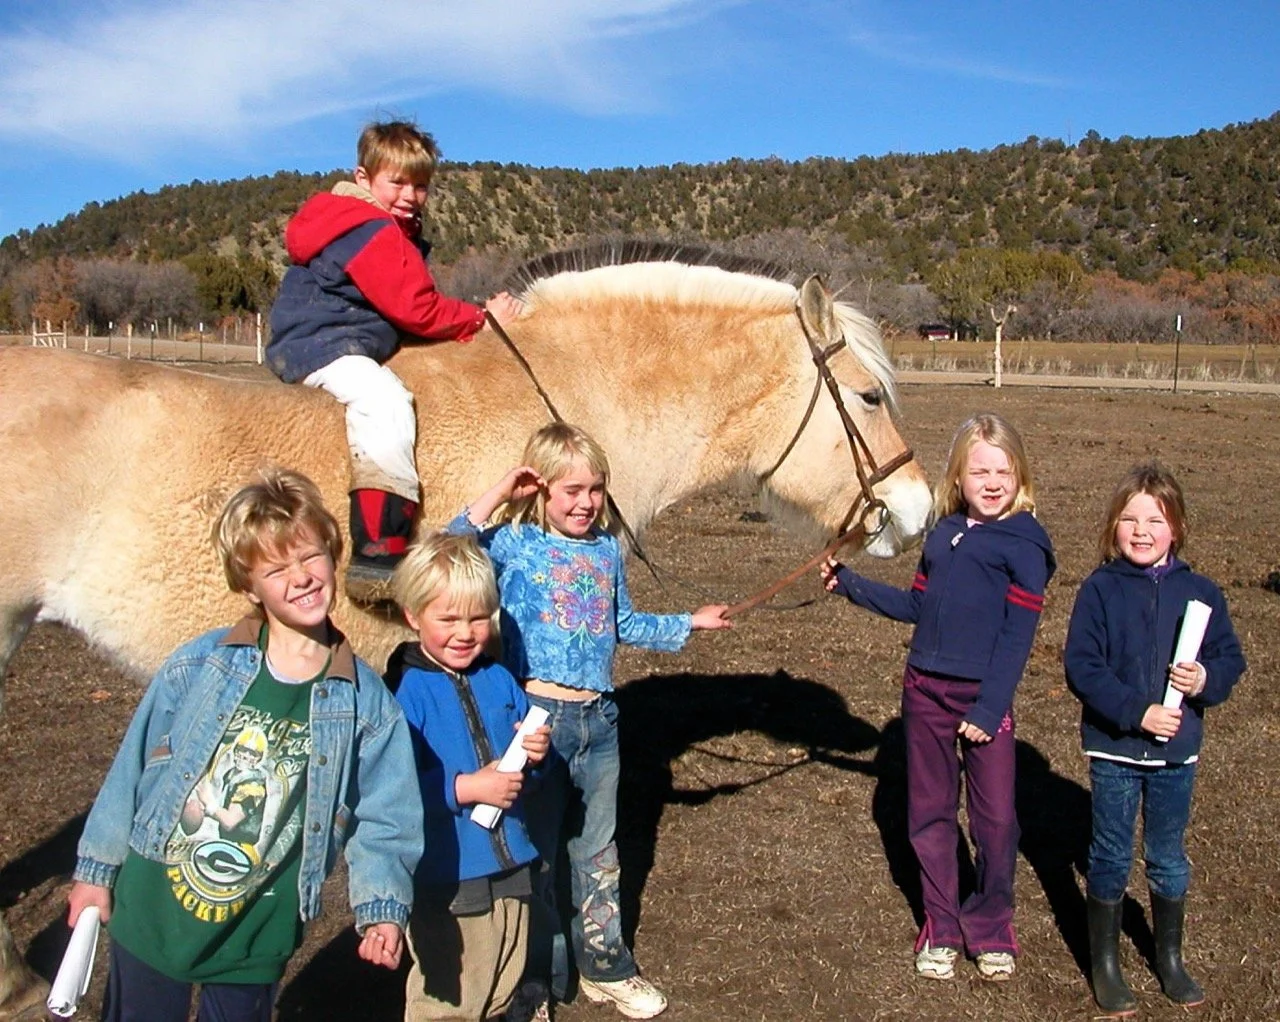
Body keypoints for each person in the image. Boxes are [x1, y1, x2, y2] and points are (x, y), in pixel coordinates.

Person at [66, 469, 422, 1022]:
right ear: (248, 585)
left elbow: (386, 816)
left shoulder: (367, 704)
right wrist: (96, 869)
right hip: (153, 907)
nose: (301, 577)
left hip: (258, 929)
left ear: (333, 554)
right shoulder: (200, 665)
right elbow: (133, 766)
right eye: (277, 569)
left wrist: (381, 907)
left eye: (310, 558)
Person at [448, 422, 732, 1021]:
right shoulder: (512, 543)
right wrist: (500, 490)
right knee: (539, 855)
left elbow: (622, 622)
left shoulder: (606, 550)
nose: (585, 503)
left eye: (596, 489)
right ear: (540, 488)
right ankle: (536, 982)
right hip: (535, 725)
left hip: (600, 722)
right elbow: (448, 547)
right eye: (571, 490)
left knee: (599, 851)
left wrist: (689, 623)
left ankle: (606, 964)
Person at [821, 412, 1055, 983]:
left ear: (1019, 475)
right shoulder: (944, 536)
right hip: (923, 692)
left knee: (996, 820)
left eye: (1003, 470)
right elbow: (917, 608)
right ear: (958, 477)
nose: (992, 481)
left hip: (983, 702)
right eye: (980, 471)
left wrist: (989, 708)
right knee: (929, 815)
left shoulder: (1025, 544)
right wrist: (849, 584)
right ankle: (942, 924)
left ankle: (992, 925)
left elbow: (1016, 638)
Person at [267, 119, 523, 601]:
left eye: (421, 186)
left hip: (326, 338)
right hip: (326, 343)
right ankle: (378, 553)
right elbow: (416, 308)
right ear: (363, 180)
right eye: (397, 182)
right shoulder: (370, 230)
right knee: (384, 401)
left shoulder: (368, 226)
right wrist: (480, 318)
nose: (410, 195)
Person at [1064, 462, 1245, 1014]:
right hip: (1114, 749)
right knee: (1111, 855)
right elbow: (1083, 667)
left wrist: (1205, 679)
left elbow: (1229, 658)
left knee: (1167, 857)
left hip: (1175, 754)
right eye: (1129, 519)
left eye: (1155, 520)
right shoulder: (1099, 590)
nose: (1141, 531)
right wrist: (1137, 712)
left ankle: (1169, 959)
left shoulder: (1202, 592)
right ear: (1112, 526)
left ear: (1177, 527)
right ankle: (1107, 965)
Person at [384, 532, 552, 1022]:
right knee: (451, 997)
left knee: (502, 980)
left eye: (478, 618)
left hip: (512, 858)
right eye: (448, 618)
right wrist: (463, 789)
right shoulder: (404, 694)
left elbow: (531, 773)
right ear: (414, 617)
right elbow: (390, 788)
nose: (465, 632)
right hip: (448, 871)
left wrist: (537, 755)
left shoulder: (497, 677)